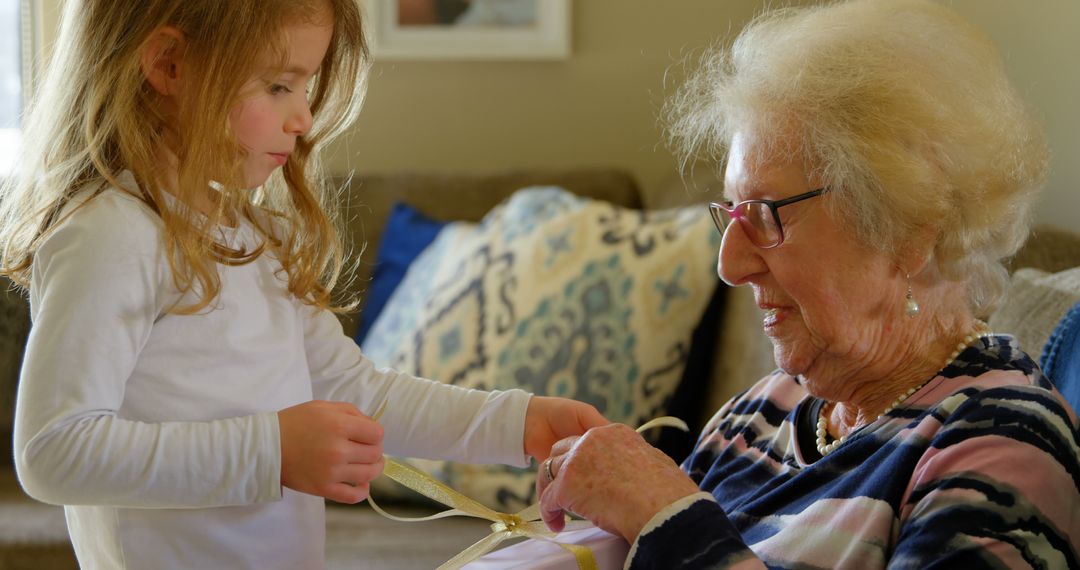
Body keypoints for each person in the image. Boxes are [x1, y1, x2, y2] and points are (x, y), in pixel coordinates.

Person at [0, 1, 606, 568]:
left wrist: (516, 423)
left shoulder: (253, 235)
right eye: (278, 86)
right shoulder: (111, 235)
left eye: (306, 87)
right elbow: (54, 452)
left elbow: (355, 391)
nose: (304, 117)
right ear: (169, 65)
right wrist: (273, 451)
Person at [535, 0, 1080, 567]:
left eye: (768, 214)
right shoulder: (756, 416)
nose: (731, 265)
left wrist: (662, 514)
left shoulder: (1000, 443)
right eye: (732, 215)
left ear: (909, 230)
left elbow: (677, 535)